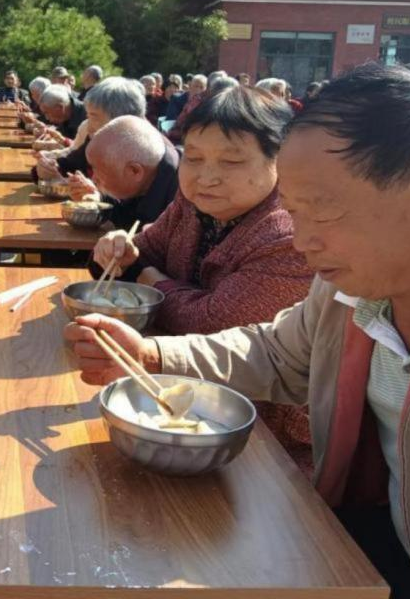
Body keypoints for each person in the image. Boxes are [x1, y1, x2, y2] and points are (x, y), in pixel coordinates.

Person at [66, 64, 410, 599]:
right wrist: (150, 354)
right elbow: (281, 353)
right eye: (292, 211)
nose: (301, 241)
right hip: (371, 537)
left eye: (320, 214)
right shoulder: (360, 271)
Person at [87, 86, 313, 466]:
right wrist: (117, 249)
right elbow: (143, 249)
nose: (206, 177)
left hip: (259, 441)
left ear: (280, 160)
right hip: (169, 404)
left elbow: (212, 324)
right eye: (193, 157)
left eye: (231, 161)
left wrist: (145, 275)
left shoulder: (290, 235)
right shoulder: (193, 205)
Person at [79, 115, 181, 230]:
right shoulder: (148, 176)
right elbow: (127, 216)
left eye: (100, 171)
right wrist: (99, 199)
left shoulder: (184, 199)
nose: (94, 178)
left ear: (135, 171)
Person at [37, 77, 145, 182]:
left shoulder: (143, 153)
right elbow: (70, 163)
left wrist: (95, 193)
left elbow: (119, 191)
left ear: (119, 119)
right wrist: (47, 168)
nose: (88, 126)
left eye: (93, 116)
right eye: (88, 116)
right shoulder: (97, 139)